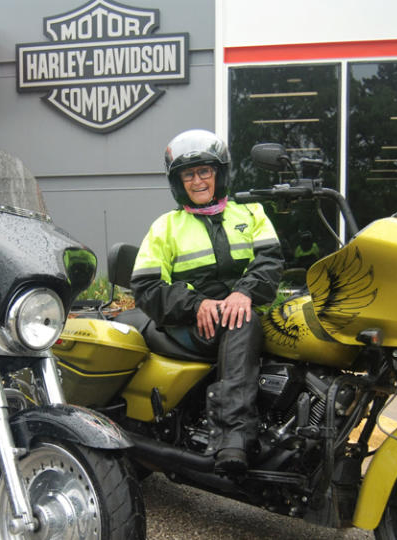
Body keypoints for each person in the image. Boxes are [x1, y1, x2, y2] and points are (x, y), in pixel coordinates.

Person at [130, 129, 284, 474]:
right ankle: (232, 435)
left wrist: (244, 292)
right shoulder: (166, 227)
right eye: (189, 174)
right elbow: (146, 286)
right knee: (240, 321)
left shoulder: (252, 214)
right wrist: (197, 304)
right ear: (178, 181)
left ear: (220, 174)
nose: (198, 181)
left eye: (205, 172)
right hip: (190, 323)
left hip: (245, 311)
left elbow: (270, 262)